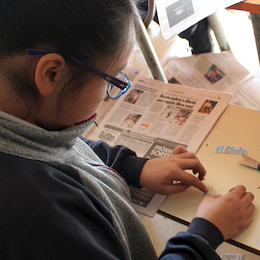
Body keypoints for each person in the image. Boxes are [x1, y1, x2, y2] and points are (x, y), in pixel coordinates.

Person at [0, 0, 254, 259]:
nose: (116, 92)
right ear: (51, 74)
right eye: (112, 78)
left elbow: (69, 148)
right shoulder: (41, 218)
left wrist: (136, 168)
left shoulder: (26, 118)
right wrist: (205, 232)